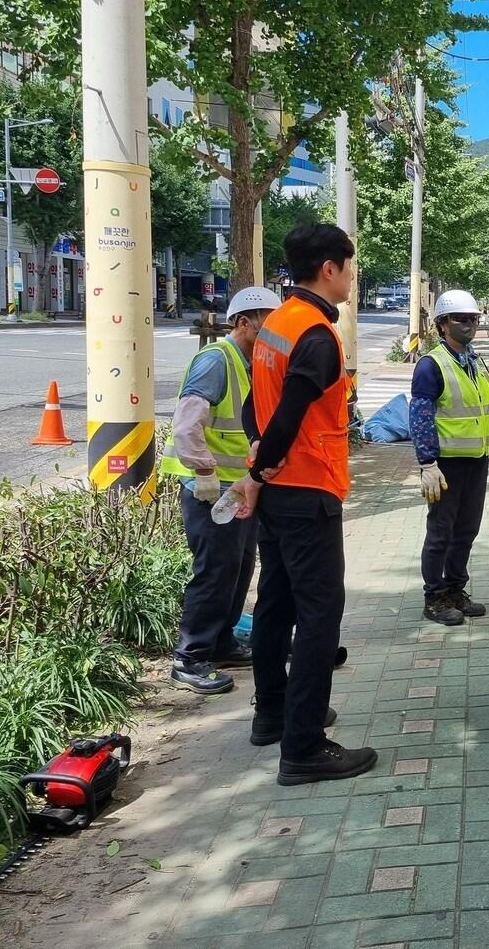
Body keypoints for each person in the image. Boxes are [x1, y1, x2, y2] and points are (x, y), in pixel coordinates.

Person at [229, 223, 376, 786]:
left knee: (276, 602)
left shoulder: (276, 327)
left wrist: (258, 469)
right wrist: (260, 469)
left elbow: (253, 409)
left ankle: (274, 713)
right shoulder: (315, 335)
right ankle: (305, 744)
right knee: (319, 615)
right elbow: (287, 414)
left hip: (278, 494)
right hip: (307, 488)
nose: (351, 278)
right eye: (350, 266)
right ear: (330, 268)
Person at [159, 286, 280, 694]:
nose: (273, 332)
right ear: (242, 323)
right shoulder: (217, 360)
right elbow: (187, 424)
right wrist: (205, 473)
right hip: (209, 487)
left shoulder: (251, 363)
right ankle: (189, 658)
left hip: (238, 487)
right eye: (266, 322)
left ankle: (223, 642)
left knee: (239, 566)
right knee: (215, 571)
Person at [410, 289, 489, 626]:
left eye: (473, 319)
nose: (469, 325)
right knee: (441, 531)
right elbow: (420, 417)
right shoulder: (431, 366)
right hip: (445, 465)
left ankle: (455, 589)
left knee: (466, 530)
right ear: (442, 325)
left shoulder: (476, 361)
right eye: (461, 319)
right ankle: (435, 597)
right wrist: (427, 464)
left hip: (476, 461)